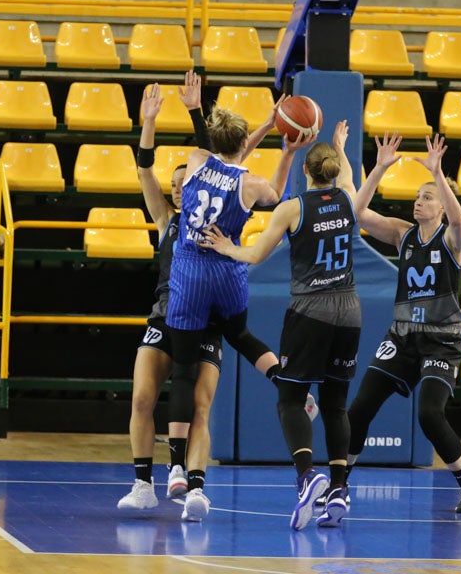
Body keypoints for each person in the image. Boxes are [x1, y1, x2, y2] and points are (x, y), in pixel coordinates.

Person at [118, 75, 316, 512]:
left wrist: (192, 111)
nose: (176, 186)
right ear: (243, 143)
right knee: (240, 336)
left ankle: (181, 474)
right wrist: (285, 148)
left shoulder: (196, 163)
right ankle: (289, 386)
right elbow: (268, 189)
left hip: (190, 281)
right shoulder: (241, 185)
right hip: (225, 274)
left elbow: (216, 154)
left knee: (188, 378)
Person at [203, 120, 363, 530]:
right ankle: (340, 487)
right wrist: (341, 146)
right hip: (349, 310)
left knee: (291, 399)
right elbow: (348, 175)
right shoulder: (348, 198)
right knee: (335, 404)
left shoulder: (292, 208)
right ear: (333, 170)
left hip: (310, 310)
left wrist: (227, 247)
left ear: (305, 171)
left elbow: (256, 255)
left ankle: (307, 477)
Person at [346, 131, 461, 514]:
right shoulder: (403, 235)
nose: (419, 201)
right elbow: (358, 213)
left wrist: (438, 175)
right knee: (359, 409)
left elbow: (459, 220)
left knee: (429, 414)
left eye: (427, 197)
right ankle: (339, 485)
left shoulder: (452, 240)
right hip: (403, 337)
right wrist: (379, 168)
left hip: (442, 340)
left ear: (441, 206)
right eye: (418, 196)